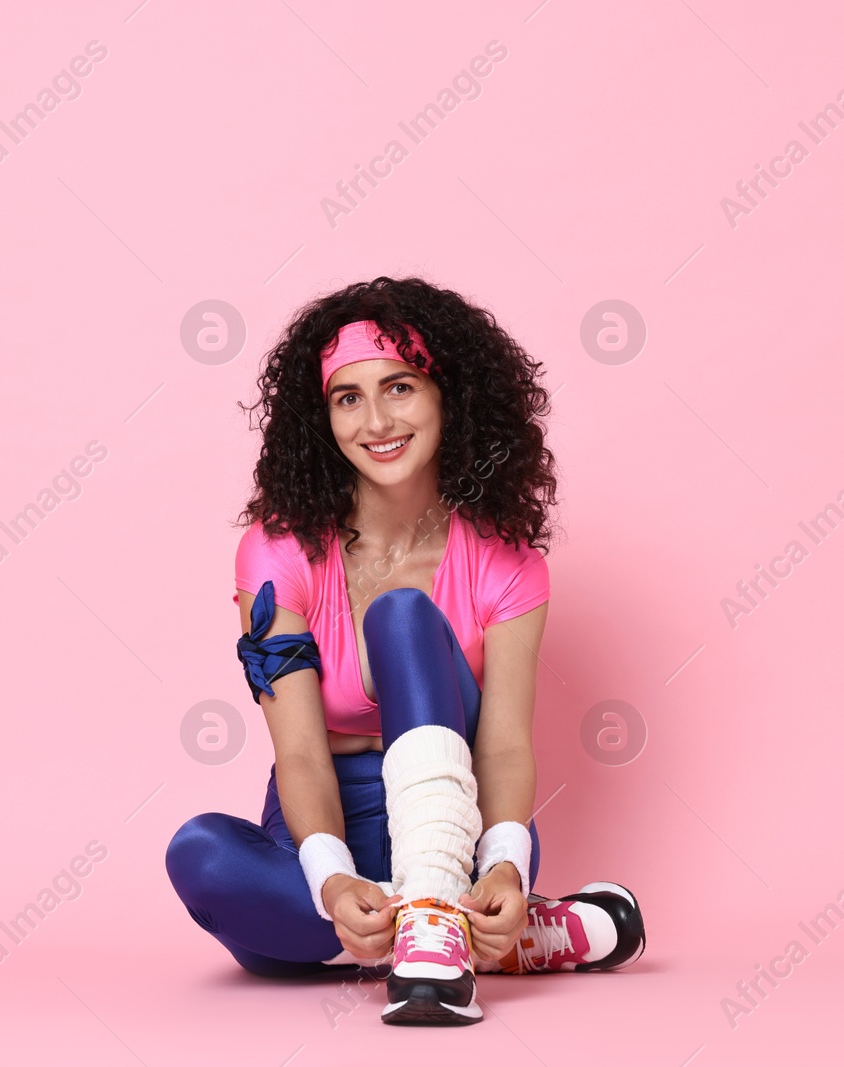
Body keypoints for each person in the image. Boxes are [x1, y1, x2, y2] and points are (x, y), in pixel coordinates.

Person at [165, 276, 644, 1026]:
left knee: (401, 618)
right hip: (327, 824)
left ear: (448, 395)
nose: (376, 419)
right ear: (320, 417)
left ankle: (440, 911)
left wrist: (508, 863)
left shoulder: (506, 561)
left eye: (400, 386)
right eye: (347, 397)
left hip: (462, 823)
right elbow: (299, 754)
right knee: (200, 857)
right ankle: (477, 935)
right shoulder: (278, 551)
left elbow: (508, 745)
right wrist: (326, 877)